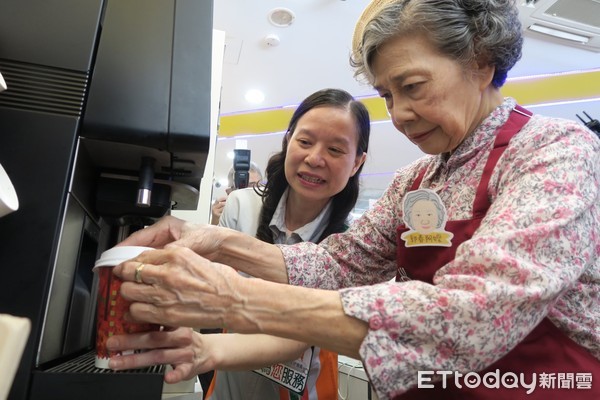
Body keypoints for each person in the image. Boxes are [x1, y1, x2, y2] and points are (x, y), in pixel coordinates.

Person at [107, 1, 600, 399]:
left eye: (411, 87)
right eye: (387, 95)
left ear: (480, 62)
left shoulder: (554, 150)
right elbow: (340, 264)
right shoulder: (417, 178)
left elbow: (475, 314)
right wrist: (215, 243)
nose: (400, 115)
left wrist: (233, 297)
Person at [205, 88, 369, 399]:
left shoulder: (352, 245)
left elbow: (305, 334)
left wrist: (198, 350)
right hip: (229, 389)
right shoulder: (241, 207)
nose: (314, 158)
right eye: (305, 142)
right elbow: (213, 300)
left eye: (335, 150)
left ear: (357, 163)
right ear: (288, 140)